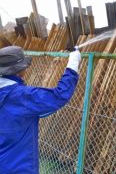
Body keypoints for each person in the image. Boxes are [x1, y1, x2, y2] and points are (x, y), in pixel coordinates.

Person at [0, 46, 81, 174]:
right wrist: (73, 64)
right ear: (20, 70)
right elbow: (58, 96)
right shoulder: (21, 96)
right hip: (19, 168)